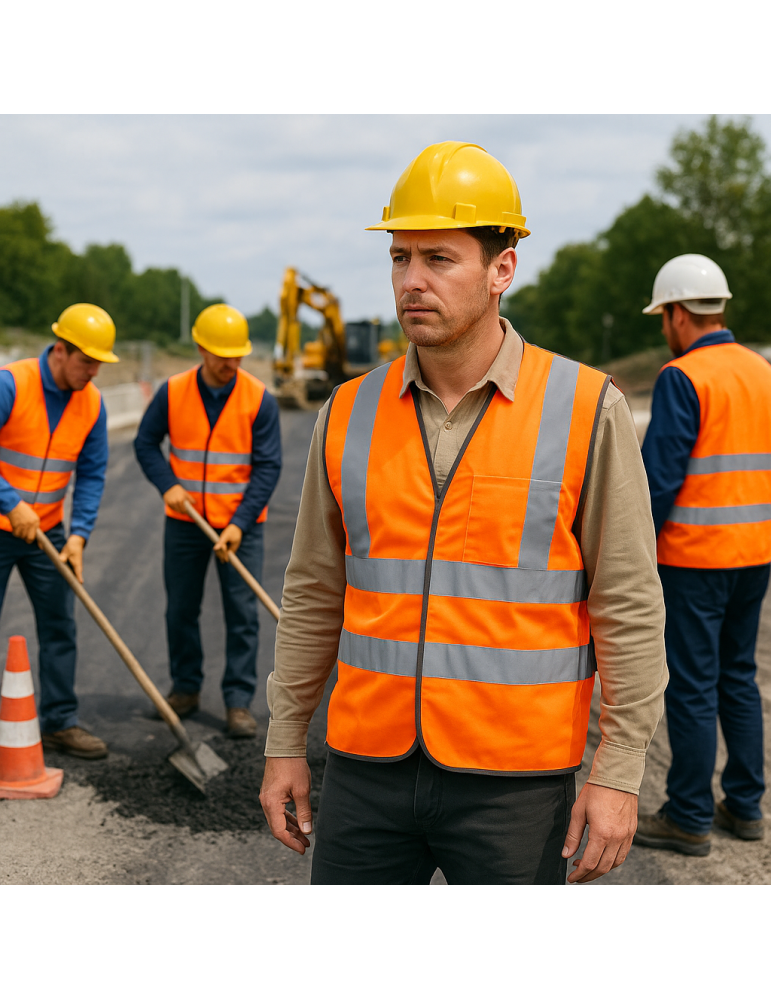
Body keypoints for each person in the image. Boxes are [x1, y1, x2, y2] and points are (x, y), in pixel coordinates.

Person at [259, 141, 667, 884]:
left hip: (516, 785)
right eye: (398, 257)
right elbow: (314, 591)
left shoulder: (583, 409)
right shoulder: (347, 412)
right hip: (366, 773)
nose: (410, 281)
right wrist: (284, 738)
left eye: (438, 259)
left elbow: (629, 603)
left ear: (500, 268)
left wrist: (619, 769)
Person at [635, 254, 771, 856]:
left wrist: (632, 549)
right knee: (737, 676)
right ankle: (745, 807)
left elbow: (658, 480)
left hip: (695, 558)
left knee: (691, 686)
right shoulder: (761, 371)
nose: (664, 328)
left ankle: (689, 815)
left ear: (677, 313)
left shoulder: (682, 377)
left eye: (663, 316)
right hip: (754, 554)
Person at [134, 304, 281, 738]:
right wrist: (167, 485)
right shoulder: (173, 391)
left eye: (236, 355)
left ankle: (238, 701)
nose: (229, 364)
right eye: (220, 354)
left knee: (242, 614)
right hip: (185, 523)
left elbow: (268, 467)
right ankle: (185, 688)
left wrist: (238, 524)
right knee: (181, 609)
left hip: (241, 527)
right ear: (200, 348)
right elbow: (145, 443)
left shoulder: (259, 399)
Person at [0, 303, 118, 758]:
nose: (93, 372)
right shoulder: (12, 384)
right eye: (86, 361)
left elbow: (91, 473)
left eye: (98, 364)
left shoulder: (92, 404)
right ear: (60, 350)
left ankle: (59, 723)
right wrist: (11, 503)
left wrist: (78, 535)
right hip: (4, 520)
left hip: (46, 530)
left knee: (59, 627)